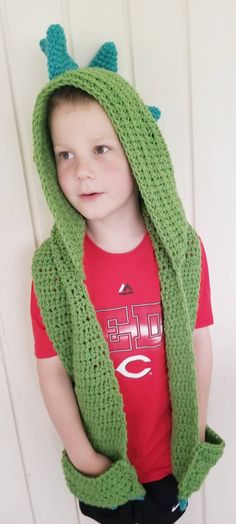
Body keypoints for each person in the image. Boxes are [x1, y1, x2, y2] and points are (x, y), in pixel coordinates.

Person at [30, 24, 225, 524]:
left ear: (138, 152)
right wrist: (85, 460)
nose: (81, 172)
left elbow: (200, 343)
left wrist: (196, 432)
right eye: (65, 154)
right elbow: (52, 371)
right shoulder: (55, 270)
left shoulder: (183, 250)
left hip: (170, 467)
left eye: (101, 149)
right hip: (104, 473)